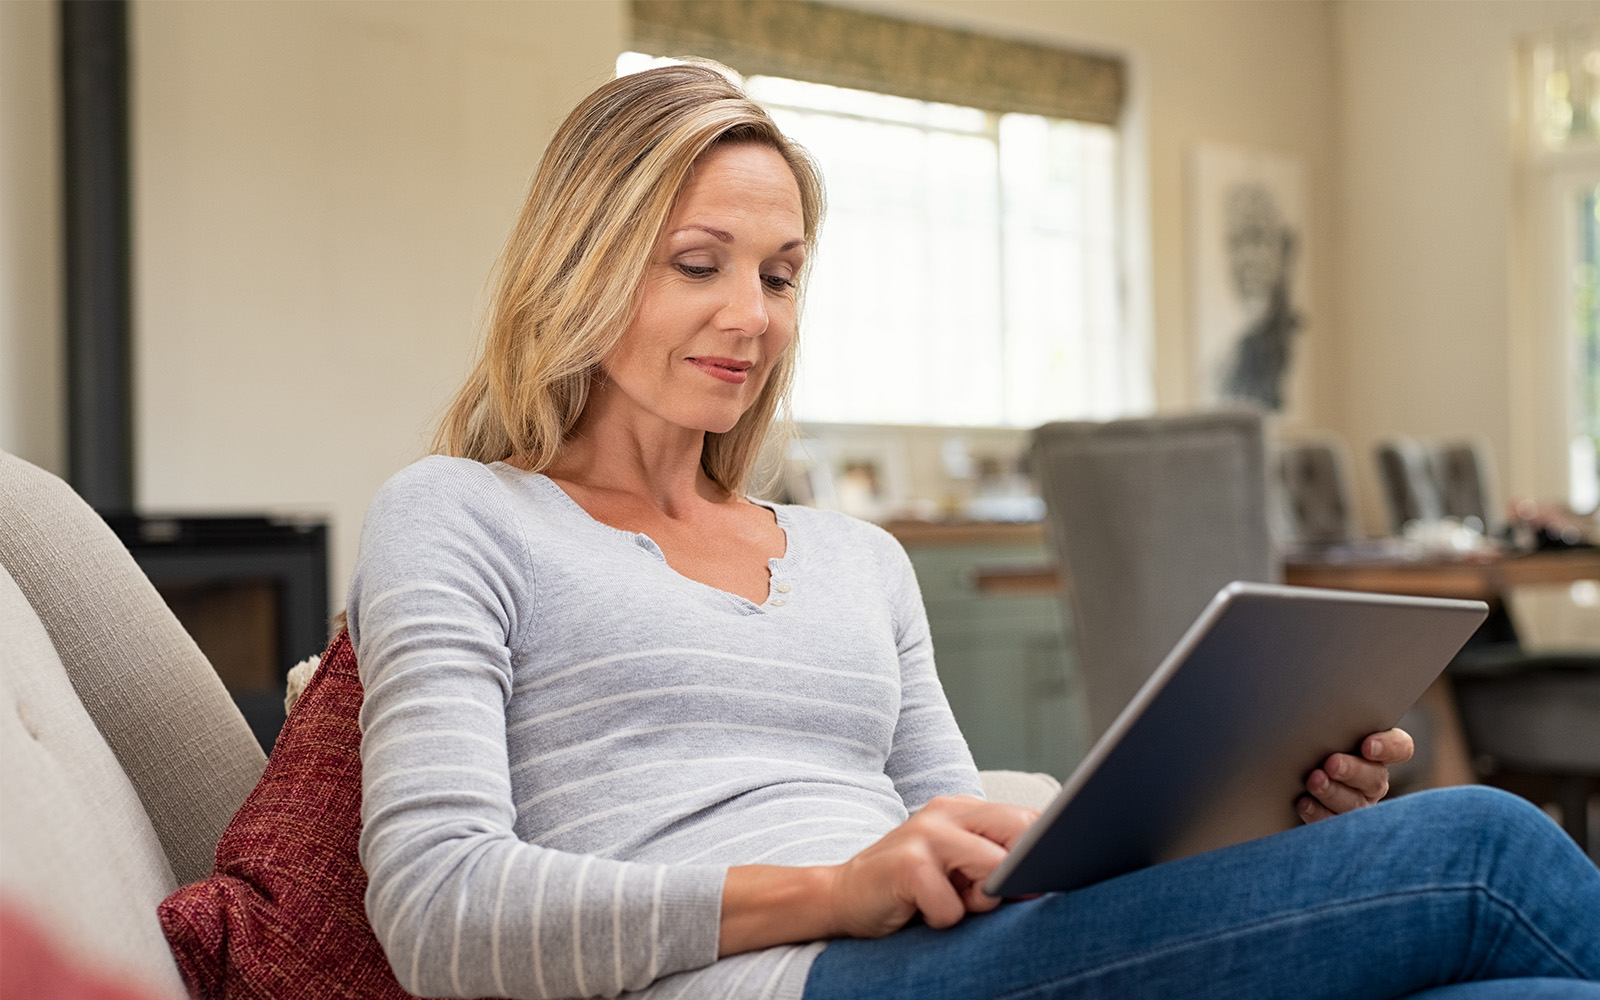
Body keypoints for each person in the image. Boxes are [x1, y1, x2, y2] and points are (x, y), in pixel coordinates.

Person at [346, 63, 1600, 1000]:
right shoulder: (459, 515)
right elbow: (439, 906)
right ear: (582, 262)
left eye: (779, 275)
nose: (751, 314)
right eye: (697, 262)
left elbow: (994, 854)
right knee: (1483, 840)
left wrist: (1272, 820)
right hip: (784, 982)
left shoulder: (855, 559)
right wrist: (836, 891)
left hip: (957, 958)